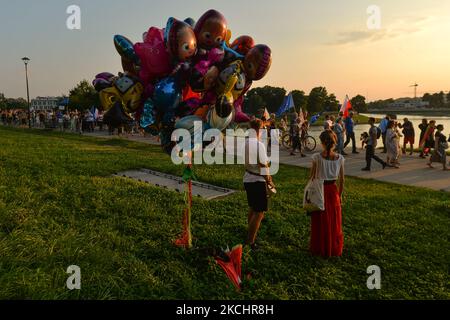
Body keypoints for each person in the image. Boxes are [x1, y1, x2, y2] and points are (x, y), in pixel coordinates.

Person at [309, 130, 345, 257]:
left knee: (321, 219)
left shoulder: (317, 158)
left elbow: (312, 178)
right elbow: (342, 180)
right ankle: (332, 247)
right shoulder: (340, 158)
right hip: (333, 190)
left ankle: (320, 247)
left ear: (322, 143)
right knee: (333, 220)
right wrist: (339, 196)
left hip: (320, 190)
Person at [243, 119, 275, 250]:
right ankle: (250, 241)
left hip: (247, 178)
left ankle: (249, 233)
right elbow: (263, 165)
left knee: (253, 208)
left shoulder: (245, 142)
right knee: (259, 212)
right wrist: (269, 181)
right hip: (257, 180)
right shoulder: (258, 144)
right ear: (260, 130)